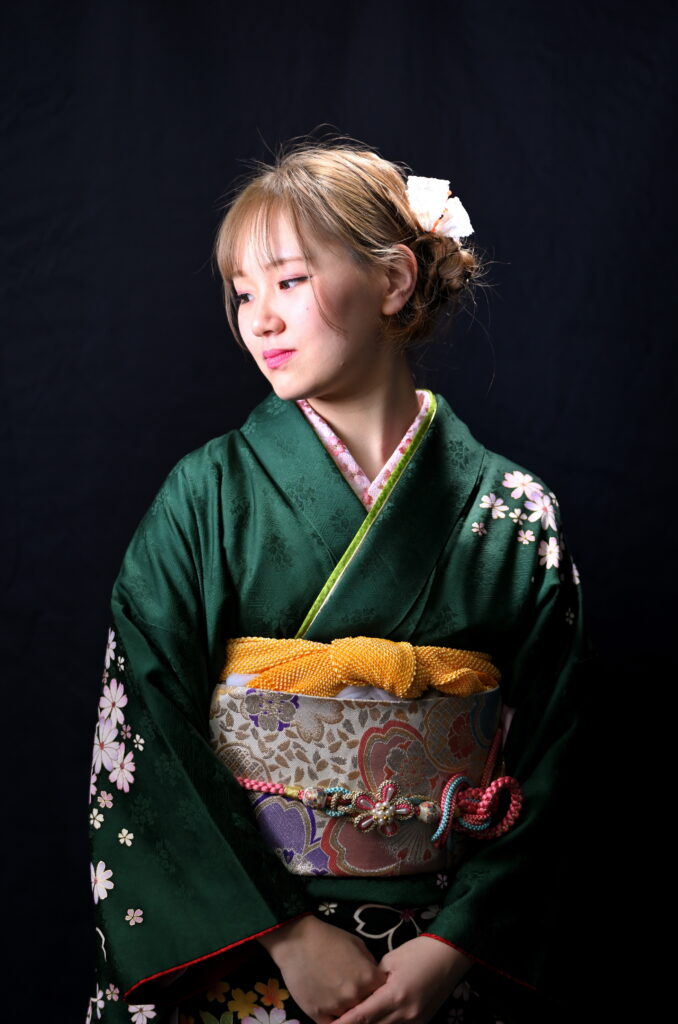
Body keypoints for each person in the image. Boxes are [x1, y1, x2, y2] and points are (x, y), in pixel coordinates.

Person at [86, 142, 584, 1024]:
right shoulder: (205, 497)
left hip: (441, 953)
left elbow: (560, 751)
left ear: (392, 280)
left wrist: (452, 948)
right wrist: (285, 935)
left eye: (288, 281)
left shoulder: (515, 513)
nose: (261, 320)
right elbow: (146, 731)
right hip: (249, 959)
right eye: (243, 293)